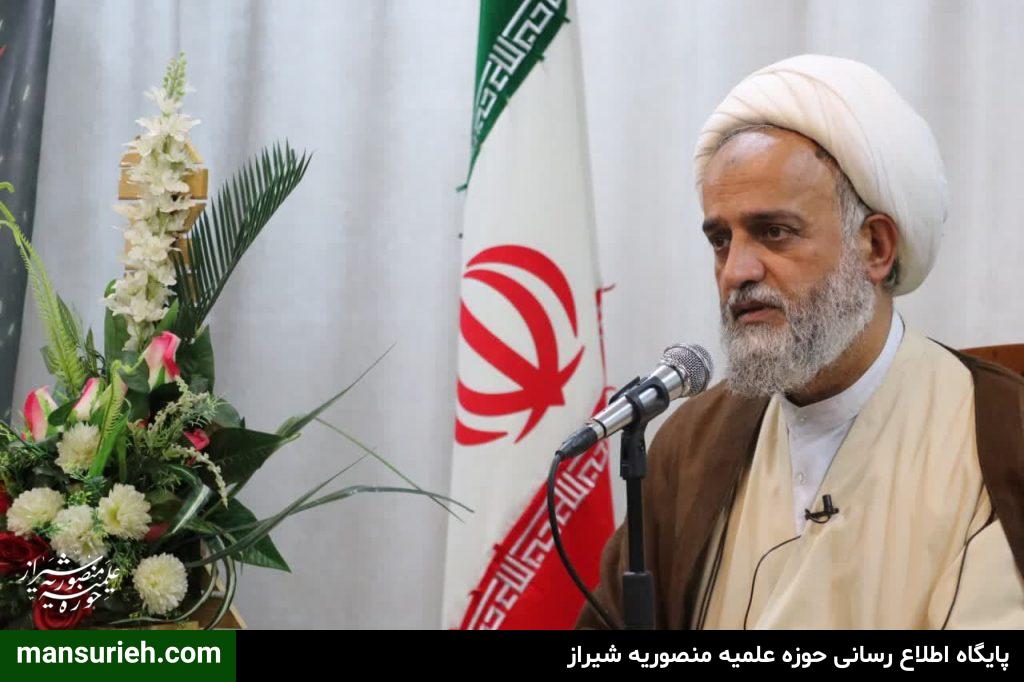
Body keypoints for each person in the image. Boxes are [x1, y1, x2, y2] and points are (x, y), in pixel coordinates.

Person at [575, 54, 1024, 630]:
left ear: (876, 247)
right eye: (720, 239)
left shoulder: (998, 435)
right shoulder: (691, 441)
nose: (736, 270)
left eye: (774, 232)